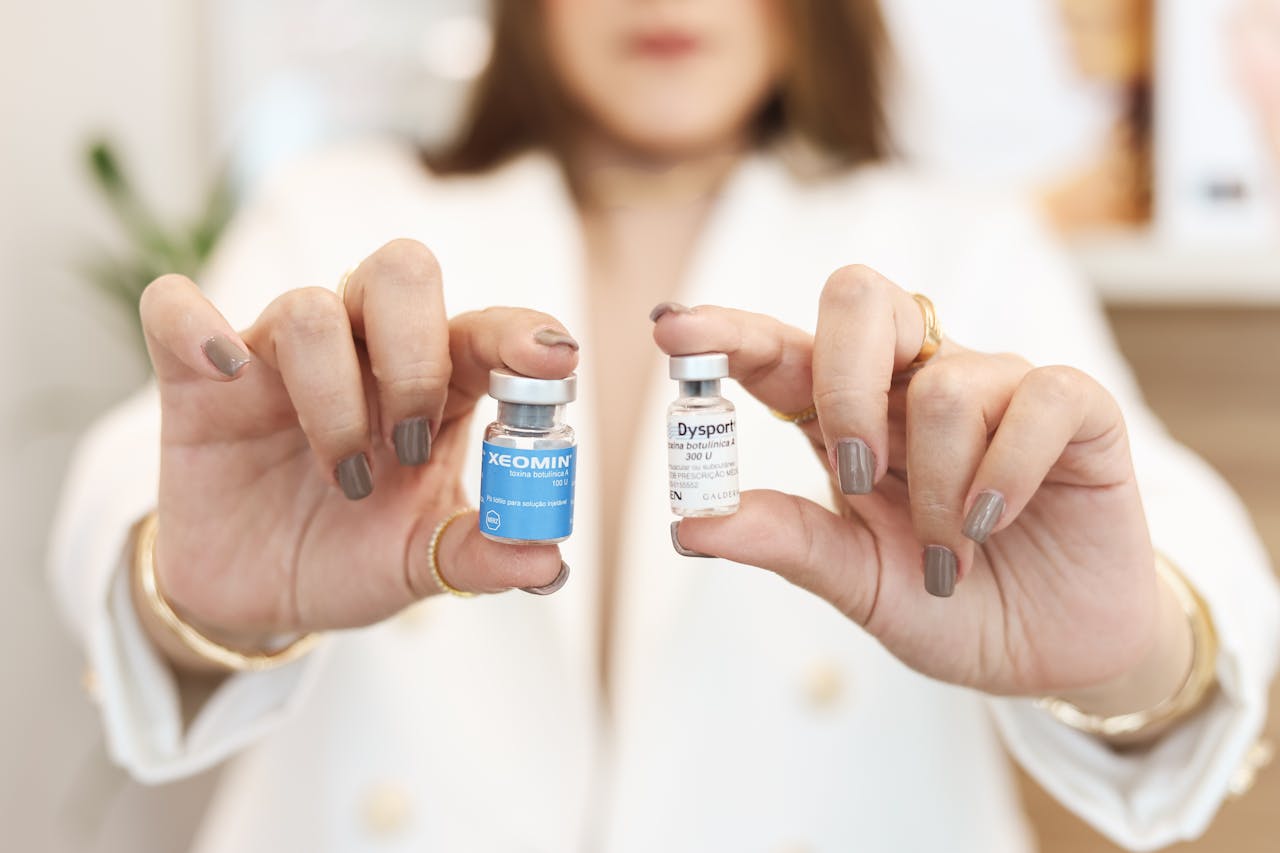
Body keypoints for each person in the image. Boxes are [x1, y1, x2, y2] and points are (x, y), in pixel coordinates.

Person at [50, 1, 1278, 851]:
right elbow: (138, 488)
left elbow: (1178, 553)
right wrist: (200, 598)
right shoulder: (341, 210)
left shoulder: (956, 243)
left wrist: (1128, 652)